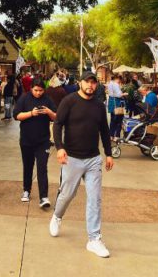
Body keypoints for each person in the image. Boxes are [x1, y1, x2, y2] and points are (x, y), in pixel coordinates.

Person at [49, 71, 114, 258]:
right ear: (80, 83)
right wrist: (59, 148)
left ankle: (94, 239)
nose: (90, 86)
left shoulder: (99, 106)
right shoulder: (69, 101)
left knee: (95, 198)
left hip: (93, 159)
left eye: (94, 83)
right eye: (87, 82)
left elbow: (104, 129)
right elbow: (57, 124)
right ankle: (57, 216)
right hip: (72, 158)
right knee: (67, 193)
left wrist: (109, 154)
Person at [14, 79, 56, 208]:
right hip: (26, 140)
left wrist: (48, 112)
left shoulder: (48, 99)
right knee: (28, 166)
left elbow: (56, 117)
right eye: (36, 90)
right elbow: (16, 116)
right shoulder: (24, 98)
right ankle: (26, 190)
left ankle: (44, 197)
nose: (38, 93)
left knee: (42, 168)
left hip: (43, 141)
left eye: (41, 90)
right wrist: (31, 113)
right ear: (31, 89)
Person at [105, 74, 124, 141]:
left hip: (111, 104)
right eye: (120, 80)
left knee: (112, 120)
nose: (120, 81)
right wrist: (124, 94)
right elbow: (119, 95)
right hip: (117, 104)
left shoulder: (110, 84)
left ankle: (111, 135)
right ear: (117, 78)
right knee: (119, 121)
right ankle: (117, 136)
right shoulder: (116, 84)